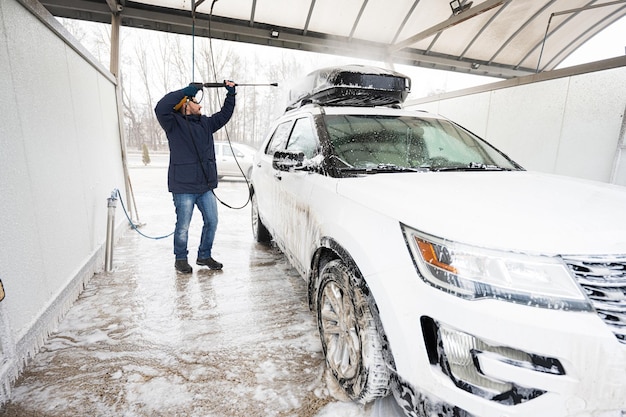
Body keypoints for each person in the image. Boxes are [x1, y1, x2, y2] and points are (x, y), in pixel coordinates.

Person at [154, 81, 236, 273]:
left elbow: (224, 115)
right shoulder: (172, 123)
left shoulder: (206, 123)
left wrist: (230, 95)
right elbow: (161, 107)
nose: (200, 105)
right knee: (183, 226)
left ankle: (204, 255)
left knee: (212, 221)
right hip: (183, 186)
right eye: (195, 101)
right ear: (185, 105)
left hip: (204, 185)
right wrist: (185, 90)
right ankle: (181, 258)